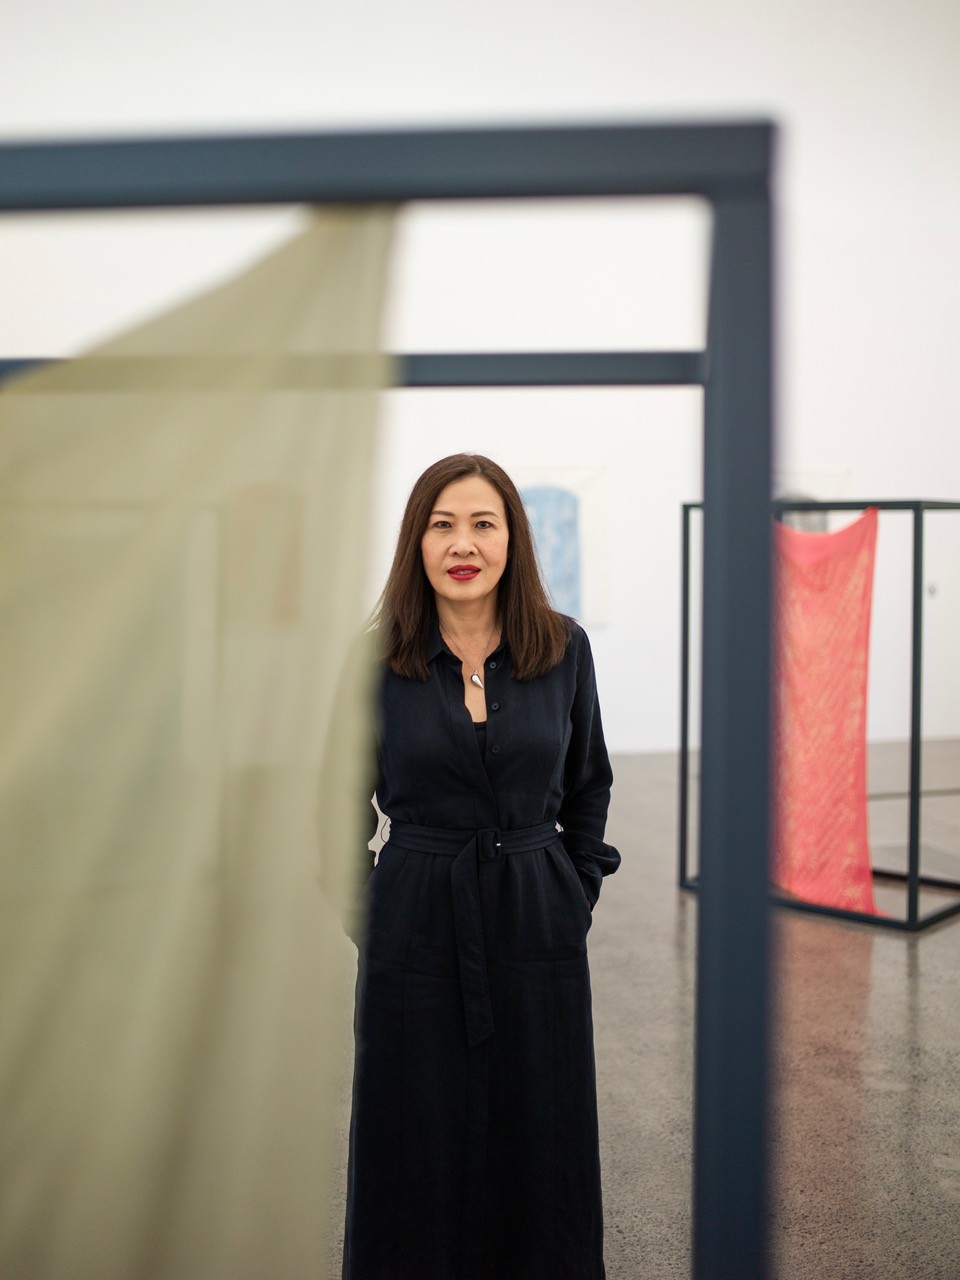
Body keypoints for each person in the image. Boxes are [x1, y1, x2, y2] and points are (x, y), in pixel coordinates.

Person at [343, 453, 620, 1280]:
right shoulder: (374, 659)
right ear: (416, 542)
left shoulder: (562, 649)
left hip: (537, 919)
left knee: (542, 1134)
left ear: (513, 539)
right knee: (413, 1138)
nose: (463, 543)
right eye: (442, 524)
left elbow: (589, 783)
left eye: (483, 523)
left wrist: (573, 893)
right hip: (416, 925)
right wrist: (379, 917)